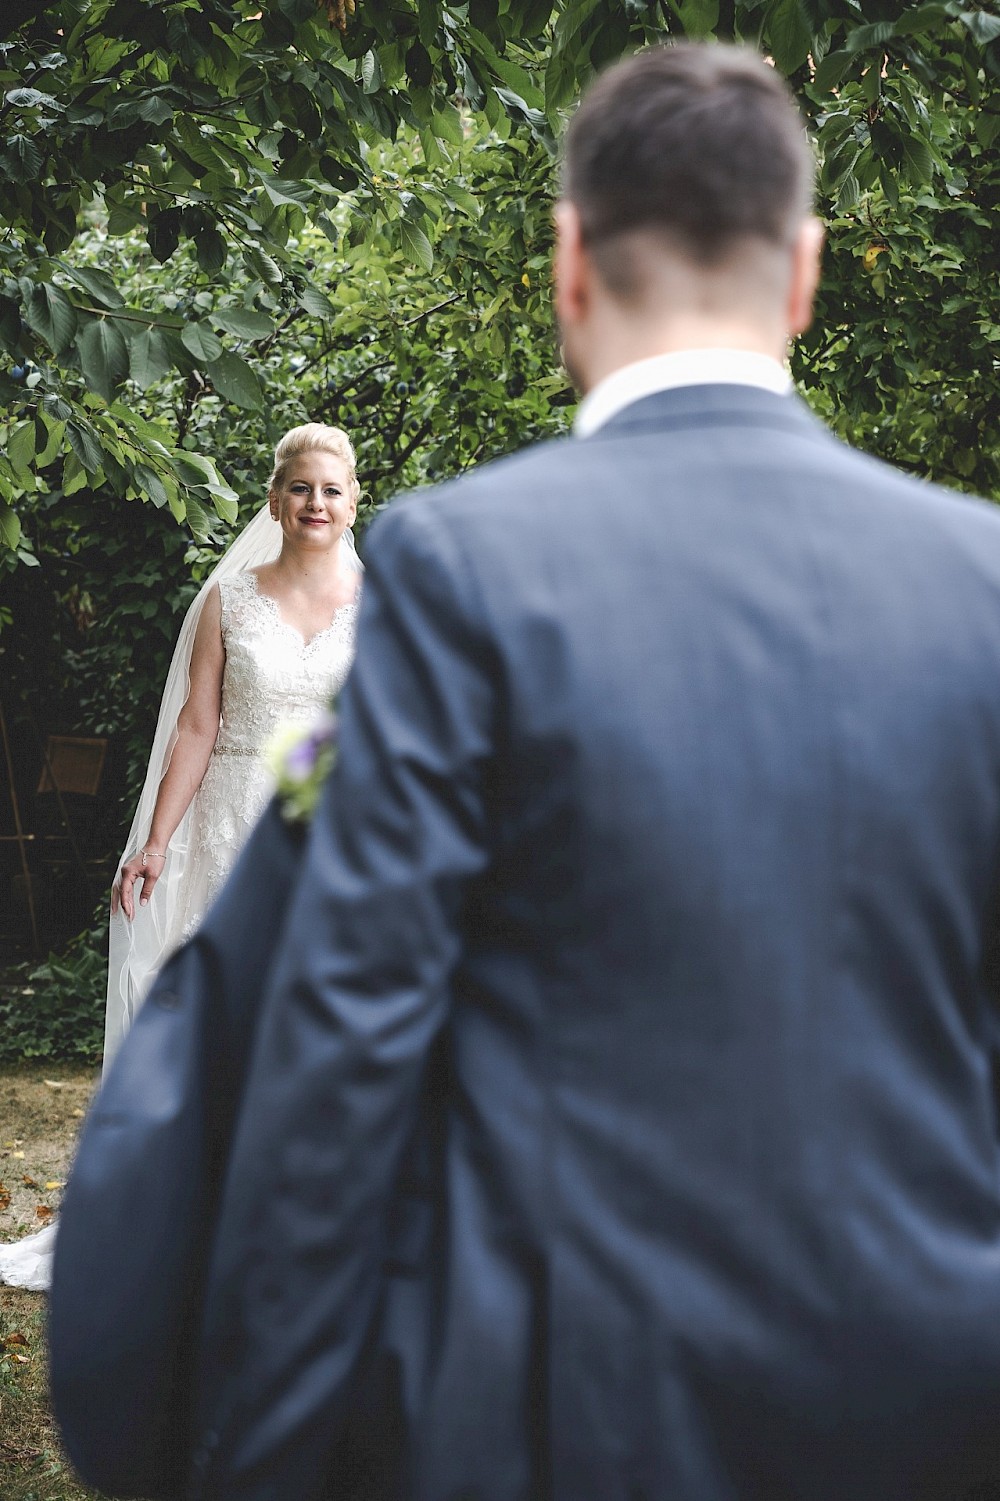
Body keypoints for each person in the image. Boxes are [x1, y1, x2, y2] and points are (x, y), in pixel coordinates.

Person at [54, 43, 1000, 1501]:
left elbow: (338, 1033)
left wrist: (262, 1453)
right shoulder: (981, 581)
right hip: (932, 1408)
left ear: (567, 264)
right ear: (806, 273)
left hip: (573, 1413)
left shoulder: (462, 568)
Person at [0, 422, 363, 1294]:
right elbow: (198, 728)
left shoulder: (381, 603)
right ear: (276, 499)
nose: (316, 504)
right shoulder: (228, 602)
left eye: (332, 490)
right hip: (228, 830)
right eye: (301, 488)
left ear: (355, 501)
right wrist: (157, 840)